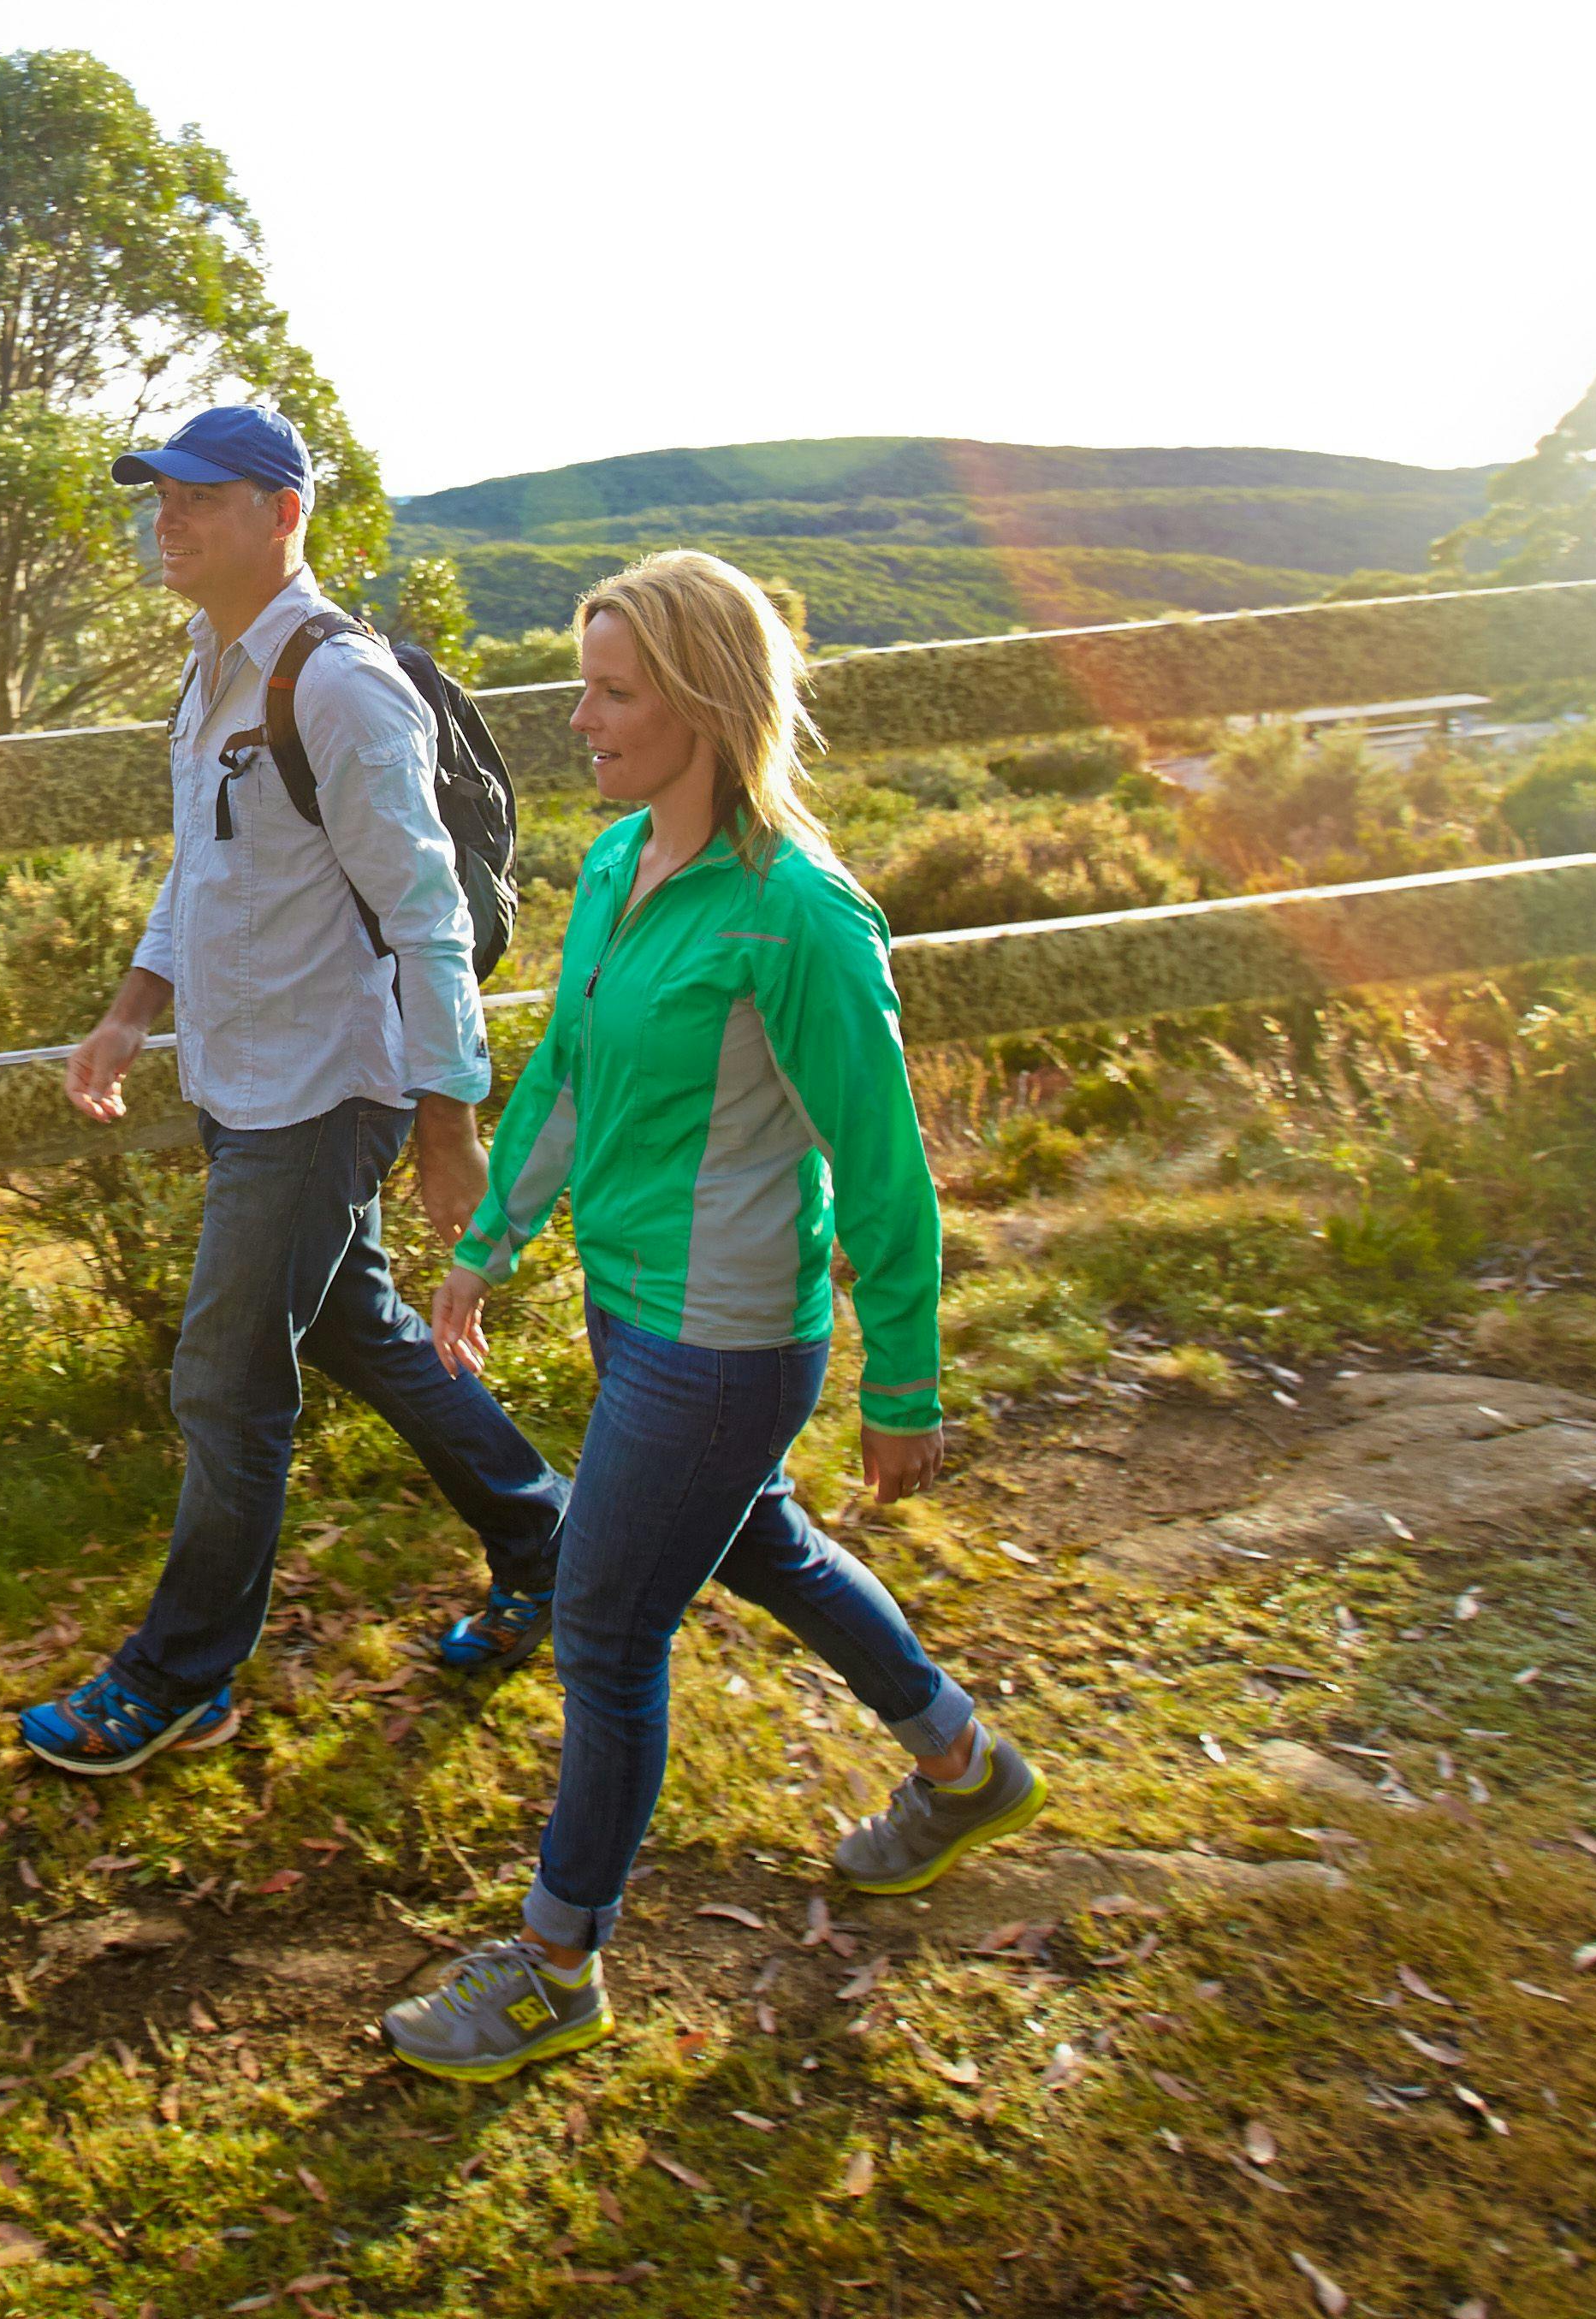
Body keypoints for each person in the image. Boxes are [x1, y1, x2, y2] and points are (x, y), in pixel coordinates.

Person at [376, 549, 1046, 2083]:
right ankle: (963, 1763)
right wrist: (483, 1243)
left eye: (613, 692)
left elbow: (885, 1168)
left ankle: (555, 1963)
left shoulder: (799, 919)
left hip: (732, 1340)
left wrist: (907, 1384)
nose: (582, 718)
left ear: (703, 701)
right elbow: (566, 1076)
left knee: (606, 1624)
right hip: (635, 1310)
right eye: (586, 685)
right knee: (764, 1546)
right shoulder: (619, 866)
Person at [22, 401, 573, 1775]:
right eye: (161, 496)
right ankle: (548, 1541)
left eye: (202, 497)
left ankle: (181, 1674)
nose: (170, 518)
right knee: (359, 1333)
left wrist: (447, 1125)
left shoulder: (337, 684)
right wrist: (130, 1010)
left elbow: (428, 916)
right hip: (243, 1075)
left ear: (285, 513)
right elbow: (211, 871)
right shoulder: (214, 672)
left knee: (225, 1381)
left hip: (330, 1090)